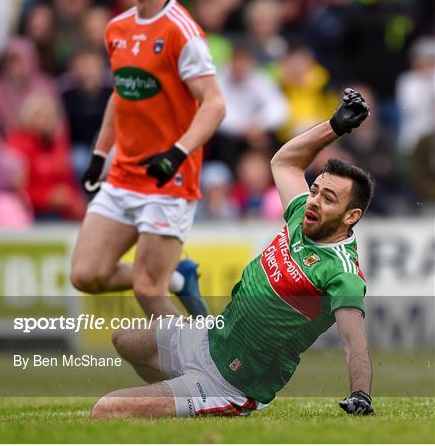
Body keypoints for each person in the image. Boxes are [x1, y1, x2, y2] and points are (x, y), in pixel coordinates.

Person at [91, 88, 375, 419]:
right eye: (314, 191)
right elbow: (284, 161)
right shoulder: (302, 216)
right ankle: (187, 365)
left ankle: (197, 400)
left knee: (107, 410)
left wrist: (360, 394)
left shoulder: (342, 275)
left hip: (230, 383)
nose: (313, 200)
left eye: (328, 199)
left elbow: (355, 343)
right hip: (209, 337)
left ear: (351, 216)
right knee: (123, 339)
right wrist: (335, 126)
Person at [71, 0, 226, 318]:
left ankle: (198, 370)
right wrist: (99, 153)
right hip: (124, 175)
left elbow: (214, 104)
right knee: (86, 275)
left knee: (146, 289)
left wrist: (177, 153)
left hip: (167, 179)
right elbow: (122, 94)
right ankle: (178, 277)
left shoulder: (182, 31)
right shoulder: (117, 29)